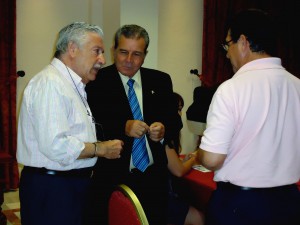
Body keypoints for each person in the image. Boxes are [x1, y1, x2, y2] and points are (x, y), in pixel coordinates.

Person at [196, 9, 300, 225]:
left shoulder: (231, 89)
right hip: (290, 202)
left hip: (240, 205)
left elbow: (212, 159)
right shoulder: (297, 86)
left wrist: (200, 153)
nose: (226, 53)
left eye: (227, 44)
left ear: (243, 42)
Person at [16, 22, 123, 225]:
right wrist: (100, 149)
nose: (102, 59)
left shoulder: (72, 84)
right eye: (96, 51)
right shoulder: (50, 83)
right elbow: (56, 145)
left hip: (68, 184)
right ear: (73, 49)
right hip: (54, 187)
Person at [85, 24, 181, 225]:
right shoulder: (96, 81)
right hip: (113, 178)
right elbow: (90, 124)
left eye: (136, 54)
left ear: (145, 54)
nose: (129, 60)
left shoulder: (161, 80)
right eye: (123, 52)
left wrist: (163, 130)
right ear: (113, 51)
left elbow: (175, 122)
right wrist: (123, 127)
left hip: (154, 179)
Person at [166, 92, 205, 225]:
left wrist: (183, 161)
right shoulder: (163, 136)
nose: (180, 114)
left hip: (167, 192)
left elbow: (171, 166)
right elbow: (178, 171)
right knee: (199, 217)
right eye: (178, 109)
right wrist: (193, 160)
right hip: (164, 197)